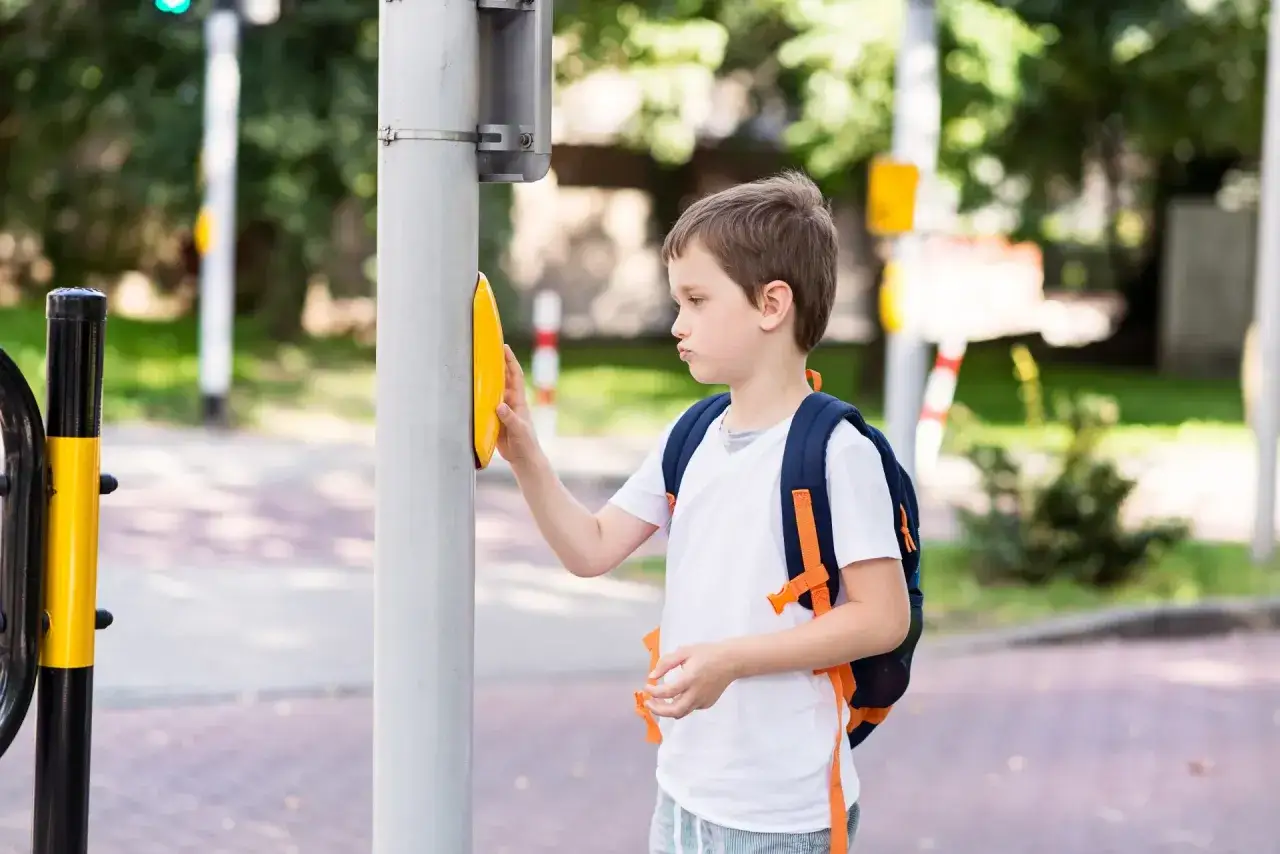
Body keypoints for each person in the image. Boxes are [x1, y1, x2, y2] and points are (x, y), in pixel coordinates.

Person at [496, 170, 912, 854]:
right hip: (684, 789)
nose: (676, 324)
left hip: (781, 812)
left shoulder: (837, 453)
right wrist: (525, 455)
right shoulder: (691, 436)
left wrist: (731, 661)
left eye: (695, 300)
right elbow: (592, 548)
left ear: (771, 304)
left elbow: (882, 616)